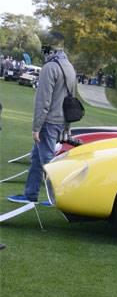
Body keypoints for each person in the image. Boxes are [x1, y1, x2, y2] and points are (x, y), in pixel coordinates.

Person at [8, 31, 77, 205]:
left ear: (48, 47)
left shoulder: (50, 67)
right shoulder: (69, 66)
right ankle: (30, 194)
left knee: (48, 162)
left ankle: (60, 198)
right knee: (37, 159)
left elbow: (43, 100)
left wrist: (36, 127)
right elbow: (72, 99)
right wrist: (67, 126)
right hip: (61, 120)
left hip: (49, 121)